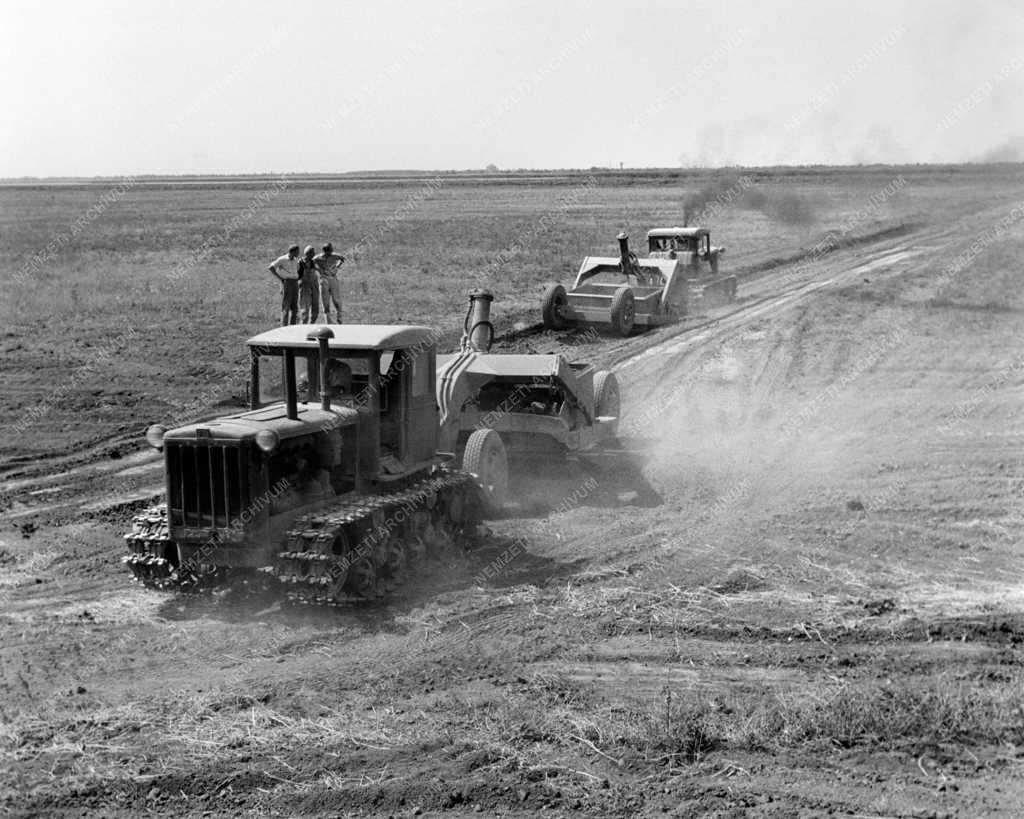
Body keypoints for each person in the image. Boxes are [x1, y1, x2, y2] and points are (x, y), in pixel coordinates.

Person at [268, 244, 301, 325]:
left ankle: (293, 325)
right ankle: (284, 325)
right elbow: (271, 267)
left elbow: (298, 269)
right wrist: (280, 278)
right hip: (287, 283)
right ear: (292, 251)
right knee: (286, 304)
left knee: (295, 306)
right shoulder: (282, 259)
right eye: (297, 252)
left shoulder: (296, 260)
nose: (298, 253)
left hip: (295, 283)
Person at [314, 242, 345, 323]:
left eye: (330, 251)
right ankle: (328, 320)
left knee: (336, 299)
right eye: (328, 251)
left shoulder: (335, 256)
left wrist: (337, 267)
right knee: (325, 300)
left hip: (333, 278)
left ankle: (340, 317)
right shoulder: (318, 257)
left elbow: (342, 258)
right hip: (323, 279)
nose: (329, 253)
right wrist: (319, 270)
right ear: (324, 251)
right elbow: (312, 262)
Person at [297, 245, 320, 323]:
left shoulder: (313, 262)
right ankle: (303, 324)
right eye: (313, 253)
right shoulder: (300, 263)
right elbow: (296, 275)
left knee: (315, 306)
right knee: (305, 307)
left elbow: (318, 269)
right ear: (308, 254)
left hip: (314, 285)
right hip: (304, 286)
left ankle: (312, 323)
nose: (314, 254)